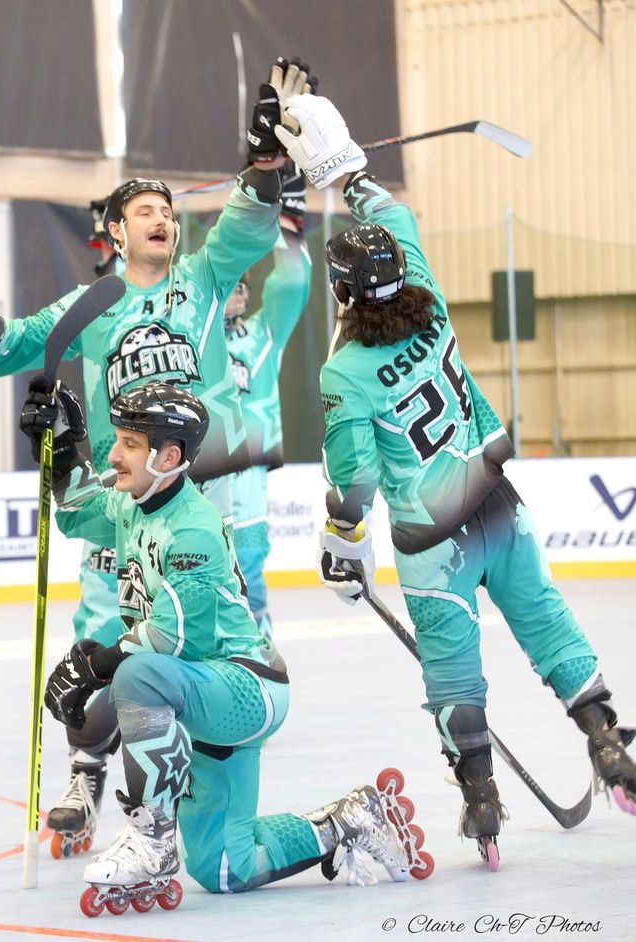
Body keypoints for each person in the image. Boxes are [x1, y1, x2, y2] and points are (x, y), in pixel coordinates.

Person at [0, 58, 316, 859]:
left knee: (188, 634)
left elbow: (247, 224)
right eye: (143, 210)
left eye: (167, 209)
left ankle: (184, 783)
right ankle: (86, 776)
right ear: (115, 232)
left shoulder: (204, 279)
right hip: (118, 500)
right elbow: (5, 351)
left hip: (196, 497)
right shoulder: (93, 304)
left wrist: (266, 160)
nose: (161, 217)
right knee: (103, 627)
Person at [272, 91, 636, 870]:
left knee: (453, 673)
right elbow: (391, 213)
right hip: (499, 507)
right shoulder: (431, 304)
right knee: (547, 623)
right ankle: (607, 740)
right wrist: (344, 168)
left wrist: (343, 538)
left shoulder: (343, 372)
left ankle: (481, 799)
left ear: (340, 291)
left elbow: (355, 475)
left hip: (434, 544)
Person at [18, 377, 430, 910]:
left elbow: (170, 637)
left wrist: (96, 667)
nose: (114, 455)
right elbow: (76, 511)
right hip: (201, 690)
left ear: (168, 457)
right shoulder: (131, 504)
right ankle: (349, 819)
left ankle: (151, 839)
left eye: (129, 444)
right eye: (117, 440)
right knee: (224, 870)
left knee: (136, 673)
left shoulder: (194, 528)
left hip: (247, 686)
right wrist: (60, 447)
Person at [225, 160, 312, 637]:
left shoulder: (262, 335)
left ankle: (259, 654)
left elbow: (292, 281)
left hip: (246, 479)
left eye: (241, 286)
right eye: (228, 285)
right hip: (189, 476)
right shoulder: (182, 332)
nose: (236, 292)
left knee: (248, 575)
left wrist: (288, 214)